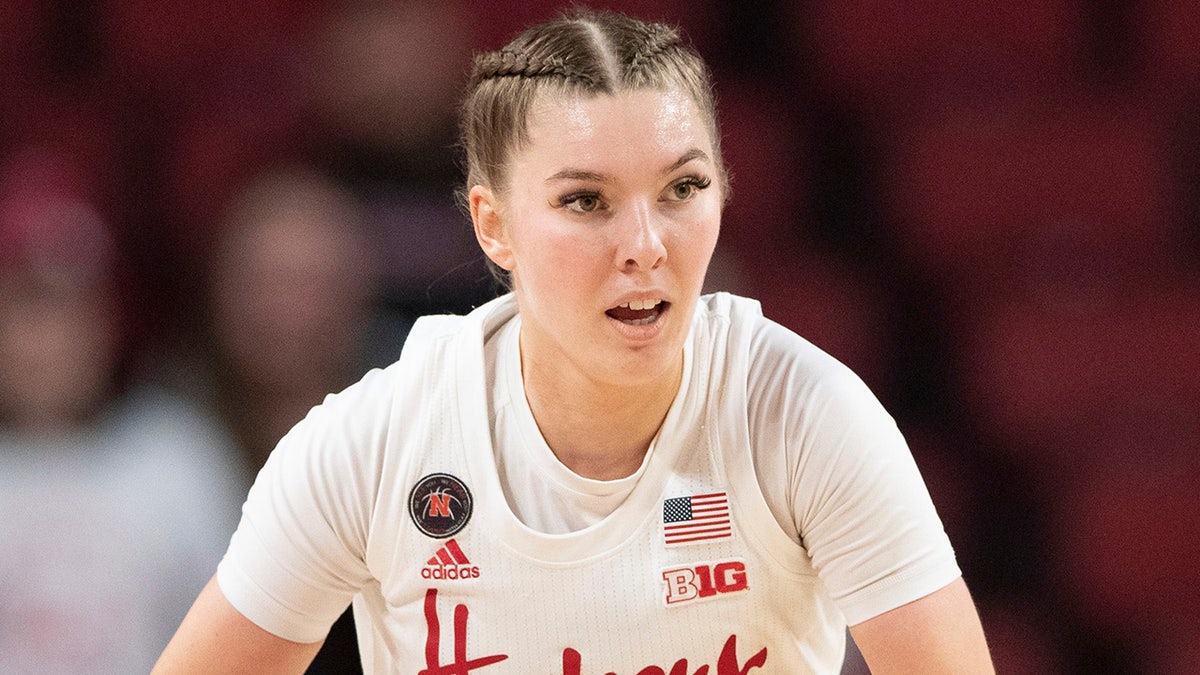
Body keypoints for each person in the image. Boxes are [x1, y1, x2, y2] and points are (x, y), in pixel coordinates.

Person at [154, 8, 994, 673]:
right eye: (586, 201)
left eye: (682, 188)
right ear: (494, 226)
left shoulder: (807, 416)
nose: (645, 245)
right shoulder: (373, 443)